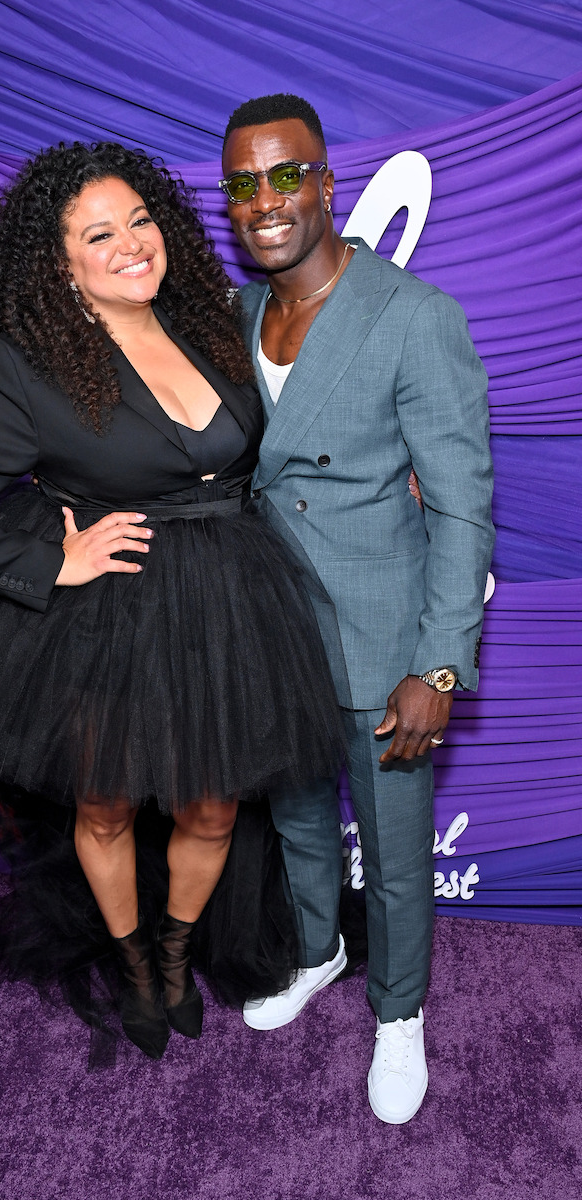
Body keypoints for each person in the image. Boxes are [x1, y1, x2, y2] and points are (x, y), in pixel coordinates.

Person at [0, 141, 344, 1061]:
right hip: (114, 615)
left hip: (229, 604)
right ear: (60, 261)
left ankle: (175, 950)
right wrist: (50, 566)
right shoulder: (25, 366)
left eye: (140, 219)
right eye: (101, 233)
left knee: (212, 808)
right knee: (104, 808)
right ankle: (135, 965)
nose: (133, 244)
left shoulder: (209, 319)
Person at [220, 94, 494, 1122]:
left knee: (389, 848)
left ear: (327, 184)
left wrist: (435, 665)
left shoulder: (412, 316)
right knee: (292, 818)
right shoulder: (237, 314)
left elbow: (462, 508)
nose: (265, 200)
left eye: (285, 174)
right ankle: (311, 950)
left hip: (382, 640)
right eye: (243, 184)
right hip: (270, 635)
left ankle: (396, 1013)